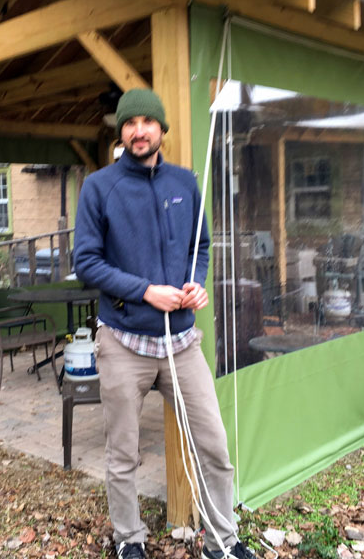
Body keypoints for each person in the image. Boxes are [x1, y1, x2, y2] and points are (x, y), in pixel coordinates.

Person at [73, 88, 253, 559]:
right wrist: (145, 290)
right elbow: (87, 262)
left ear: (161, 130)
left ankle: (222, 541)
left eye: (147, 123)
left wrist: (196, 283)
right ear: (121, 132)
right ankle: (128, 539)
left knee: (213, 446)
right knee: (123, 454)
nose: (138, 131)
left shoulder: (185, 184)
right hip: (123, 342)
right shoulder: (99, 187)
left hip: (182, 343)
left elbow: (202, 247)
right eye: (129, 124)